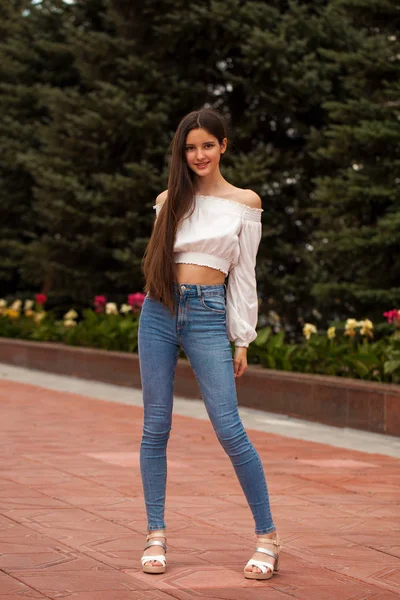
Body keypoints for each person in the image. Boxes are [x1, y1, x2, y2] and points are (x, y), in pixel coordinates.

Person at [138, 108, 281, 580]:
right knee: (155, 428)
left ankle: (267, 537)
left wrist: (242, 338)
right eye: (190, 147)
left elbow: (243, 274)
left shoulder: (245, 203)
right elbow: (161, 259)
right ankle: (155, 533)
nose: (198, 154)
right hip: (159, 310)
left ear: (224, 145)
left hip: (208, 314)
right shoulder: (169, 200)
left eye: (207, 145)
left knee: (229, 428)